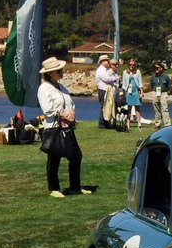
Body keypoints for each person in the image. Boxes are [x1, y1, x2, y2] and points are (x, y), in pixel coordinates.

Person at [38, 57, 90, 199]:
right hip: (54, 128)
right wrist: (62, 115)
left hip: (67, 127)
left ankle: (75, 187)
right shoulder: (43, 88)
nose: (62, 72)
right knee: (54, 158)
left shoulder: (61, 87)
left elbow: (70, 102)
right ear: (50, 73)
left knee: (76, 156)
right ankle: (54, 188)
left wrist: (71, 112)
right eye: (58, 70)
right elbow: (47, 110)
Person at [95, 54, 118, 129]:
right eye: (106, 60)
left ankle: (106, 123)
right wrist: (115, 78)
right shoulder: (101, 70)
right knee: (104, 107)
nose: (108, 61)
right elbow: (107, 79)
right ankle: (102, 123)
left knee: (107, 106)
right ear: (102, 62)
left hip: (106, 90)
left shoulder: (105, 70)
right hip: (103, 90)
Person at [121, 59, 144, 131]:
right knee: (129, 108)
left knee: (137, 108)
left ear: (135, 65)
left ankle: (139, 123)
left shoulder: (138, 72)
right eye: (130, 65)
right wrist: (124, 94)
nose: (131, 66)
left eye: (133, 65)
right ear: (128, 65)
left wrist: (141, 92)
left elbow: (140, 82)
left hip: (135, 91)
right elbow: (124, 84)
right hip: (128, 91)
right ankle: (128, 123)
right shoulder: (125, 72)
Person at [149, 61, 172, 129]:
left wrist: (165, 90)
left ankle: (167, 124)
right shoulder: (153, 76)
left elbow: (169, 85)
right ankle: (157, 124)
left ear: (161, 68)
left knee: (165, 108)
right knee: (156, 109)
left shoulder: (166, 76)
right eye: (155, 68)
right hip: (155, 92)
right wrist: (154, 91)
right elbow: (151, 85)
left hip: (163, 93)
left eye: (157, 68)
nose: (155, 69)